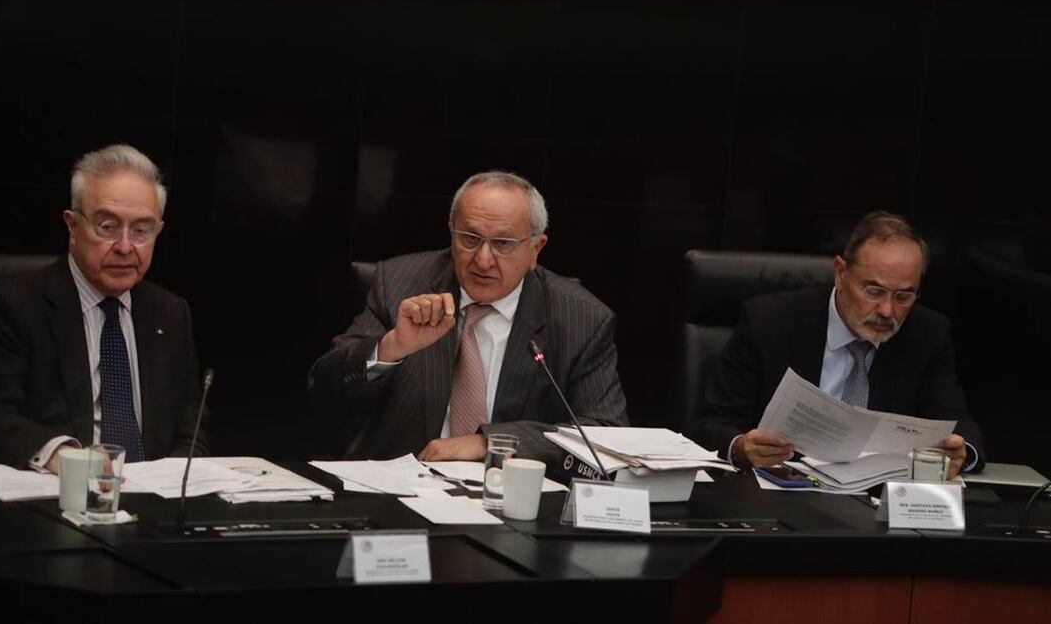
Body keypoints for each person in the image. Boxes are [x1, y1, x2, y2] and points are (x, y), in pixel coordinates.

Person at [309, 171, 628, 466]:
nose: (483, 260)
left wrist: (490, 443)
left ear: (535, 249)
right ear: (451, 235)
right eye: (470, 239)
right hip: (401, 495)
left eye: (502, 243)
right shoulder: (398, 284)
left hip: (513, 501)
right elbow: (324, 390)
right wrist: (391, 347)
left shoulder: (581, 318)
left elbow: (606, 433)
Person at [0, 144, 207, 472]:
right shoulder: (14, 306)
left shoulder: (170, 313)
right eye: (107, 227)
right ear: (72, 226)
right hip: (57, 497)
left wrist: (168, 487)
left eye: (141, 230)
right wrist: (62, 456)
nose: (125, 247)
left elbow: (192, 429)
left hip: (153, 504)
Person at [694, 211, 984, 478]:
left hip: (877, 503)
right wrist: (742, 448)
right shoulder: (769, 323)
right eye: (874, 290)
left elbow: (958, 425)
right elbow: (711, 426)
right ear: (840, 273)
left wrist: (961, 452)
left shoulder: (927, 334)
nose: (887, 310)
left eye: (903, 296)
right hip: (780, 494)